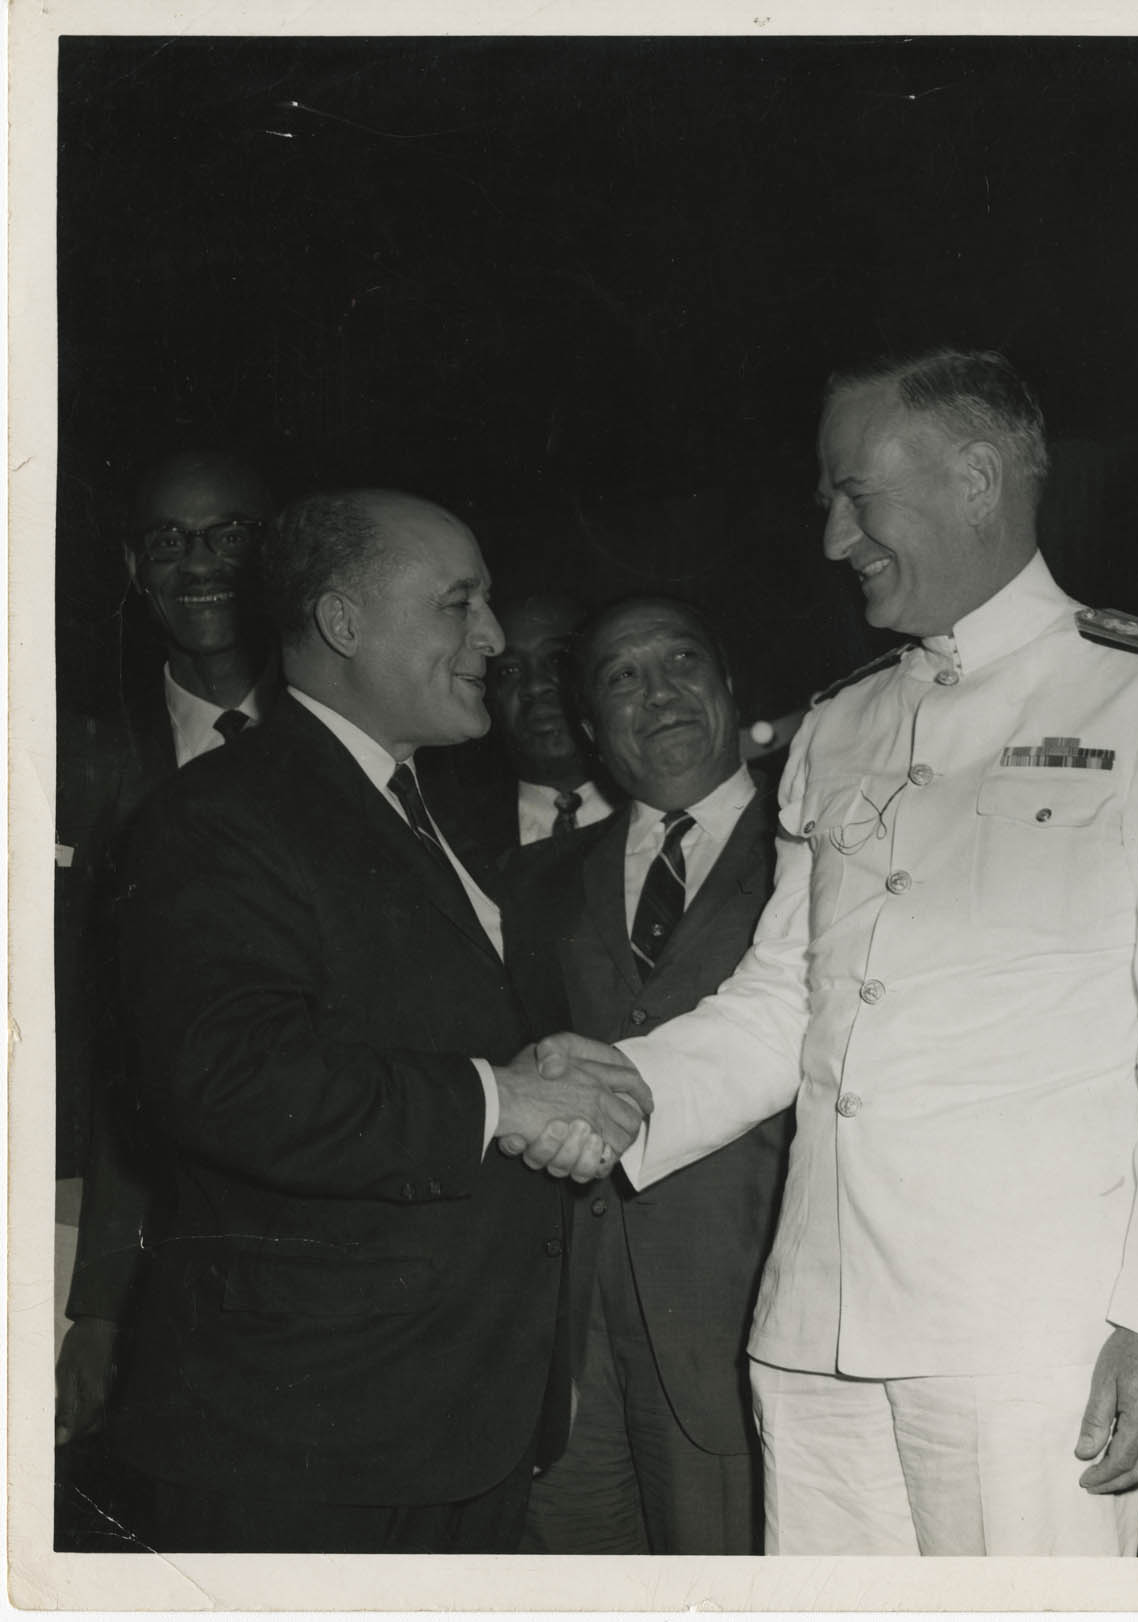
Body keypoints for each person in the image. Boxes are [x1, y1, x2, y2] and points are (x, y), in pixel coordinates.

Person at [525, 347, 1138, 1555]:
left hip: (1027, 1336)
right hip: (815, 1319)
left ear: (973, 478)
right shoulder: (843, 724)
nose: (831, 536)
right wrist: (616, 1081)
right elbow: (783, 998)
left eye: (855, 494)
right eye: (826, 500)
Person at [106, 488, 653, 1552]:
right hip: (306, 1442)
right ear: (343, 623)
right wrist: (504, 1097)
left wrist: (543, 1067)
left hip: (453, 1421)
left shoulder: (419, 805)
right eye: (459, 604)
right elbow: (230, 1075)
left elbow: (411, 1031)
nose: (493, 639)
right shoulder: (216, 813)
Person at [506, 597, 789, 1554]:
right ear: (589, 724)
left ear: (727, 683)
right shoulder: (531, 881)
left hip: (742, 1320)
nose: (658, 694)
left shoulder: (823, 845)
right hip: (565, 1336)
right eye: (622, 677)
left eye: (681, 663)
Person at [56, 452, 280, 1530]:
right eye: (169, 539)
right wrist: (95, 1298)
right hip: (131, 1229)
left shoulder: (363, 737)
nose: (198, 563)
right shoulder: (77, 759)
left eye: (228, 533)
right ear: (133, 567)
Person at [430, 593, 618, 890]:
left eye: (557, 660)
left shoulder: (657, 805)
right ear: (486, 692)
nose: (535, 685)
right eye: (509, 670)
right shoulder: (449, 834)